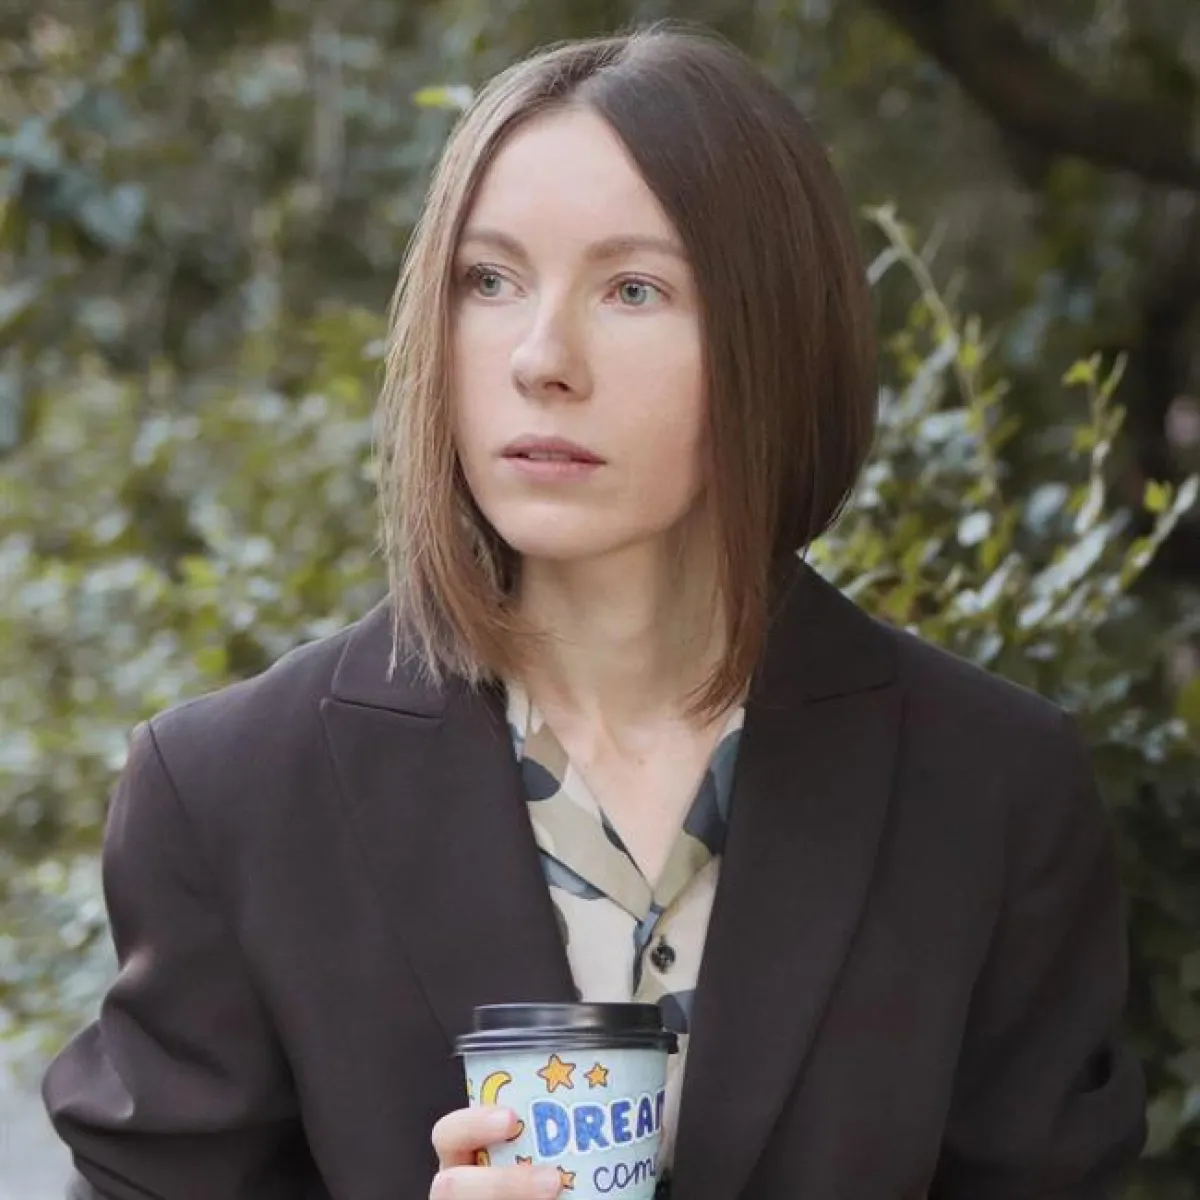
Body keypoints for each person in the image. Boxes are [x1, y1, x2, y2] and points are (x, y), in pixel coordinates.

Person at [42, 22, 1147, 1200]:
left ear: (779, 337)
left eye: (633, 288)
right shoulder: (232, 794)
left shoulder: (989, 788)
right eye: (489, 280)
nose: (541, 358)